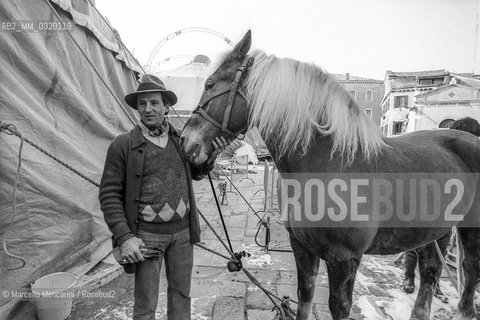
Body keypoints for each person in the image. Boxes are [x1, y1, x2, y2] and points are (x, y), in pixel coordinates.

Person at [99, 74, 229, 320]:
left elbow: (196, 172)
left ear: (166, 106)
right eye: (143, 103)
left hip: (182, 235)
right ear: (137, 107)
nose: (148, 109)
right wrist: (125, 236)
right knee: (146, 303)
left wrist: (212, 155)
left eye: (154, 103)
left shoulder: (180, 141)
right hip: (147, 236)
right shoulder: (123, 145)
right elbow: (108, 195)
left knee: (181, 297)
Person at [400, 116, 480, 301]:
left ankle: (430, 285)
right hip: (427, 211)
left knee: (438, 251)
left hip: (449, 212)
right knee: (415, 247)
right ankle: (409, 277)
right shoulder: (437, 154)